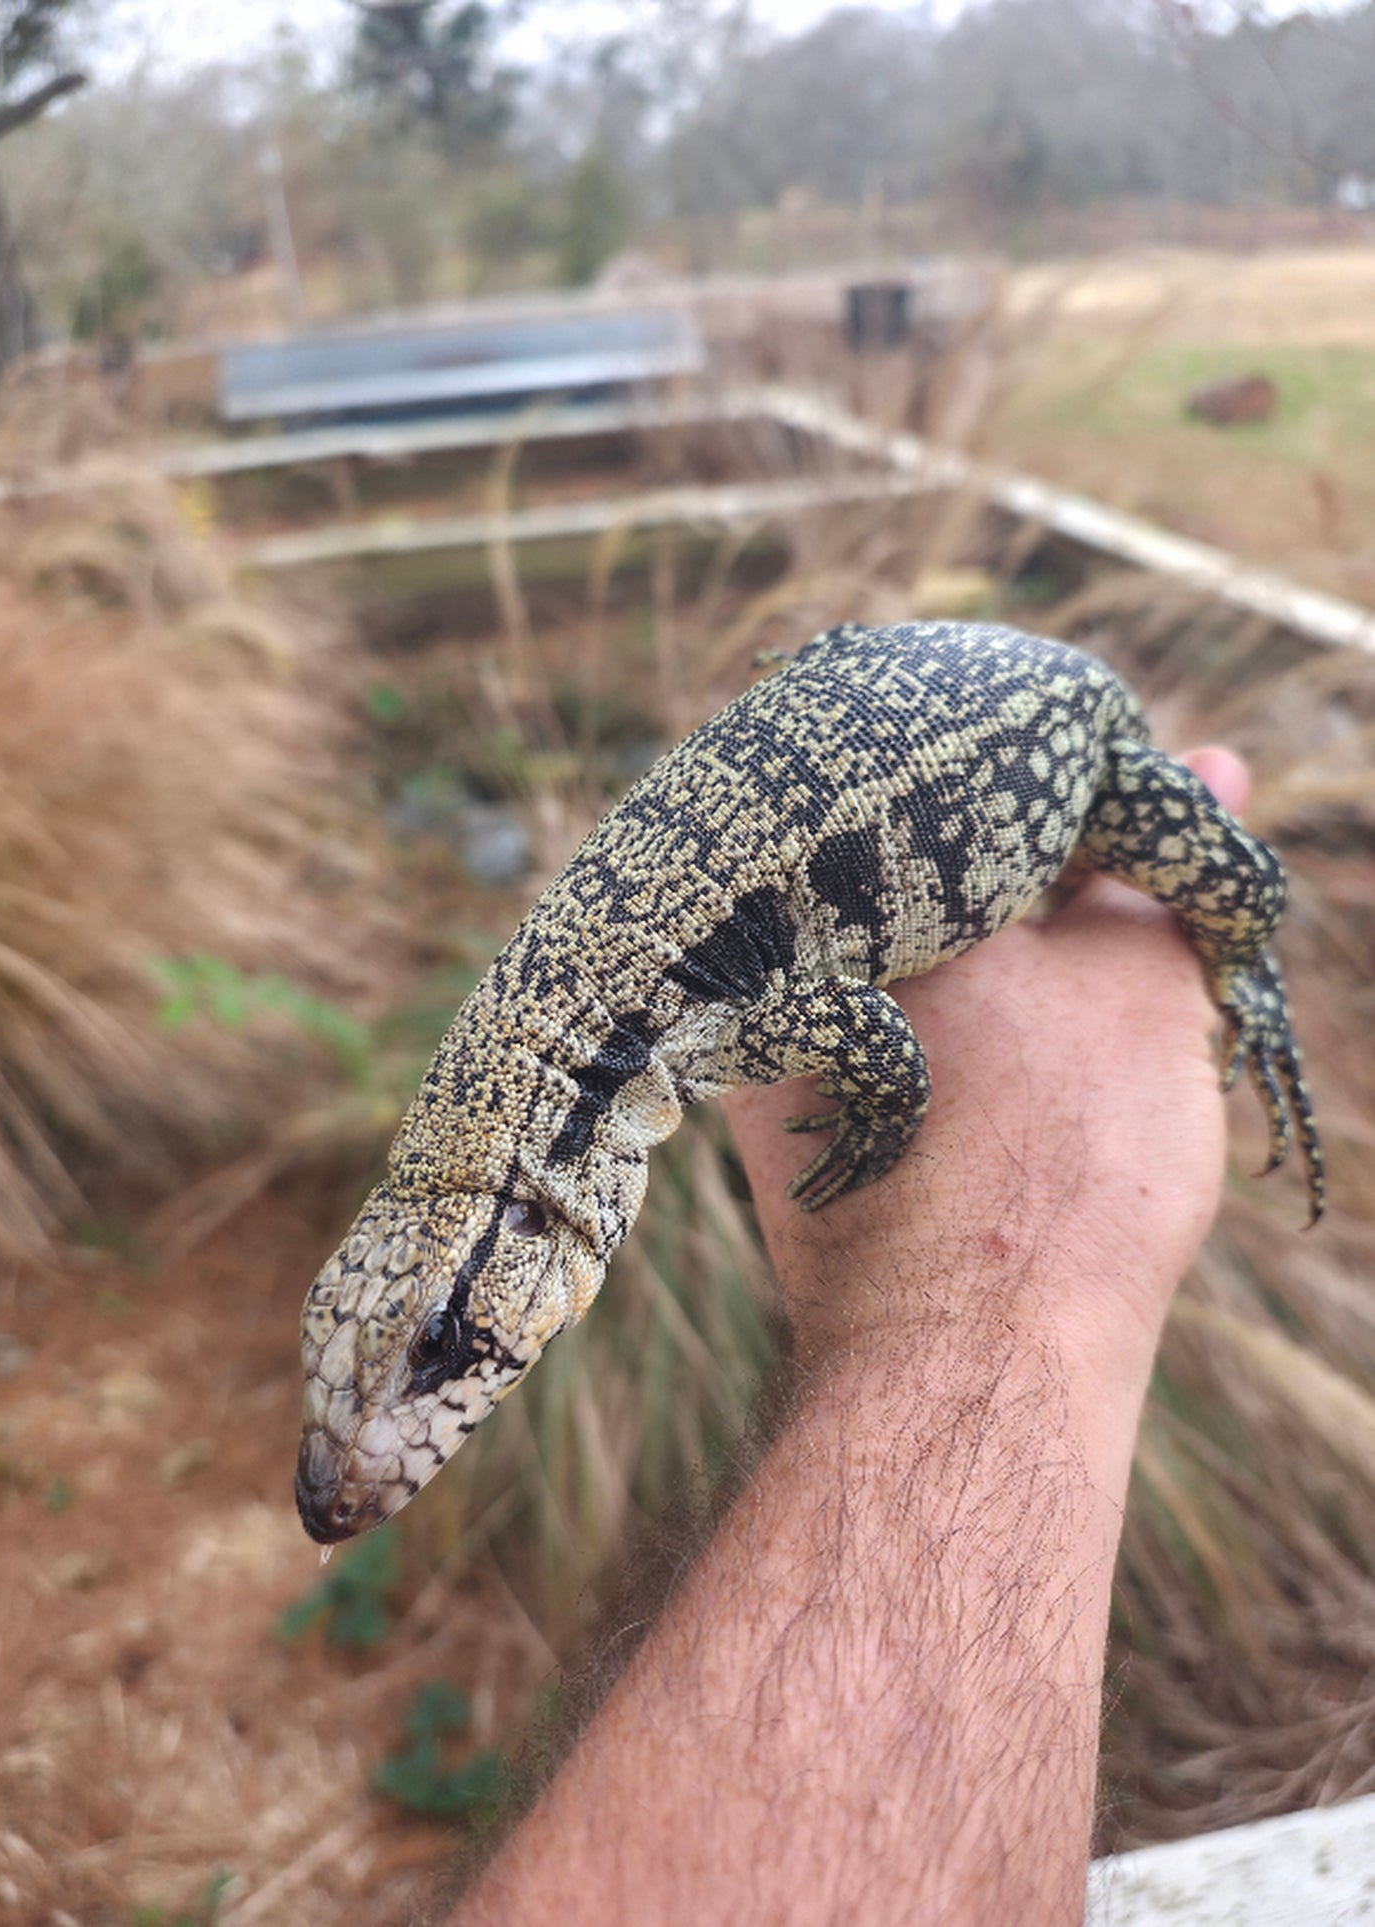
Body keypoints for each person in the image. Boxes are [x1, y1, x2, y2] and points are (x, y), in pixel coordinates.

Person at [451, 748, 1249, 1927]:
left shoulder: (682, 1024)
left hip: (1038, 736)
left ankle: (1255, 973)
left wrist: (899, 1138)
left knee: (1241, 882)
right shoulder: (641, 1029)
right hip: (933, 727)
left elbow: (880, 1046)